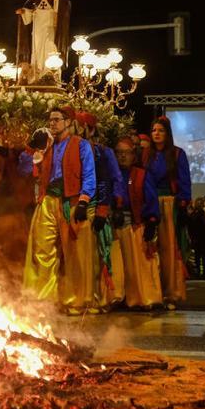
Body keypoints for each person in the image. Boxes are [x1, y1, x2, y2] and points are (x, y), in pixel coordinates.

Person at [21, 106, 97, 314]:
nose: (52, 123)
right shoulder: (48, 146)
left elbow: (90, 175)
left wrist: (83, 201)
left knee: (74, 253)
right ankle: (43, 301)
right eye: (50, 120)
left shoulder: (81, 145)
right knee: (42, 249)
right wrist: (31, 149)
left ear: (69, 122)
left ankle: (76, 301)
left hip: (70, 202)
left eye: (56, 119)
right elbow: (27, 170)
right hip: (48, 201)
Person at [76, 111, 125, 309]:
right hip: (75, 208)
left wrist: (104, 209)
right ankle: (79, 297)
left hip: (95, 206)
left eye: (80, 126)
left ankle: (97, 298)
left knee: (96, 257)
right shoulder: (72, 149)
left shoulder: (103, 152)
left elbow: (113, 180)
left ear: (90, 129)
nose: (76, 130)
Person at [142, 116, 191, 309]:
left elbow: (185, 182)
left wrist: (184, 203)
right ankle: (152, 293)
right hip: (149, 204)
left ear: (167, 133)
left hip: (169, 205)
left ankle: (171, 293)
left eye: (160, 130)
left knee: (168, 249)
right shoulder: (146, 155)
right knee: (149, 249)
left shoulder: (178, 154)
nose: (156, 133)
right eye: (154, 130)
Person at [113, 137, 162, 309]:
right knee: (117, 266)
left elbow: (151, 200)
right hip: (114, 225)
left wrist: (151, 222)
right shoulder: (111, 174)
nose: (122, 156)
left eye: (126, 153)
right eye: (119, 153)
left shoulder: (141, 175)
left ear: (134, 155)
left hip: (135, 225)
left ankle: (142, 298)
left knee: (139, 265)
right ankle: (118, 297)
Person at [16, 0, 71, 83]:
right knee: (36, 48)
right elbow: (30, 7)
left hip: (51, 26)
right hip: (37, 25)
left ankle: (50, 76)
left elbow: (65, 6)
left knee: (49, 47)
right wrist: (24, 12)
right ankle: (35, 76)